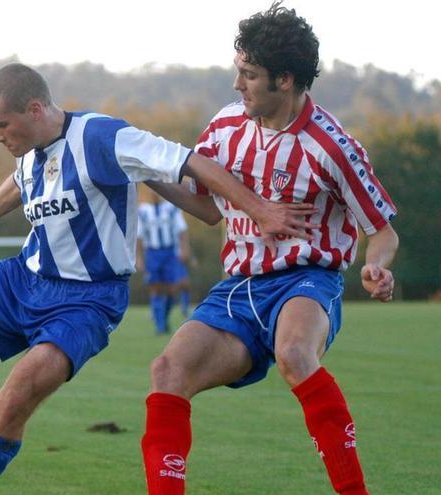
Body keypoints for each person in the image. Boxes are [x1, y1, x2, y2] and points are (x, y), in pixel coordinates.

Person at [0, 62, 314, 494]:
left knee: (19, 392)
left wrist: (261, 211)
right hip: (25, 279)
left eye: (1, 125)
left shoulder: (102, 135)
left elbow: (193, 163)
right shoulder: (29, 153)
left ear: (35, 110)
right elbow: (18, 181)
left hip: (86, 302)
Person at [140, 4, 399, 494]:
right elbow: (209, 209)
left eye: (249, 75)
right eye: (238, 71)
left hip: (306, 280)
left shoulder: (332, 146)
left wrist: (375, 267)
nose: (238, 85)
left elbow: (382, 231)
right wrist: (145, 172)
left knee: (295, 352)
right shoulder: (224, 127)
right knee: (167, 370)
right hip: (238, 289)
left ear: (284, 79)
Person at [136, 190, 193, 334]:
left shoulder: (172, 208)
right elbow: (139, 237)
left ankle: (164, 318)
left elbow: (182, 230)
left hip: (169, 252)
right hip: (152, 253)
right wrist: (139, 258)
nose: (154, 194)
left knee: (172, 289)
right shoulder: (142, 211)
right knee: (155, 287)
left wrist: (185, 249)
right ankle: (159, 326)